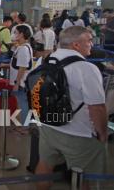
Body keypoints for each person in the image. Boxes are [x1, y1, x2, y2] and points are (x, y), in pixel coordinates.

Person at [35, 26, 107, 190]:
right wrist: (102, 133)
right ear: (76, 45)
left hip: (47, 125)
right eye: (89, 40)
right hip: (78, 132)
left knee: (45, 164)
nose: (91, 44)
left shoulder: (46, 60)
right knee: (85, 176)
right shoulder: (87, 69)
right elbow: (97, 108)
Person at [9, 25, 33, 134]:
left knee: (23, 103)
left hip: (21, 81)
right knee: (21, 102)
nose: (14, 34)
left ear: (22, 34)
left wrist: (17, 83)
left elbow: (22, 67)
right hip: (20, 80)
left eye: (16, 32)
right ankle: (24, 124)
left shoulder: (23, 49)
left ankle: (25, 127)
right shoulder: (22, 47)